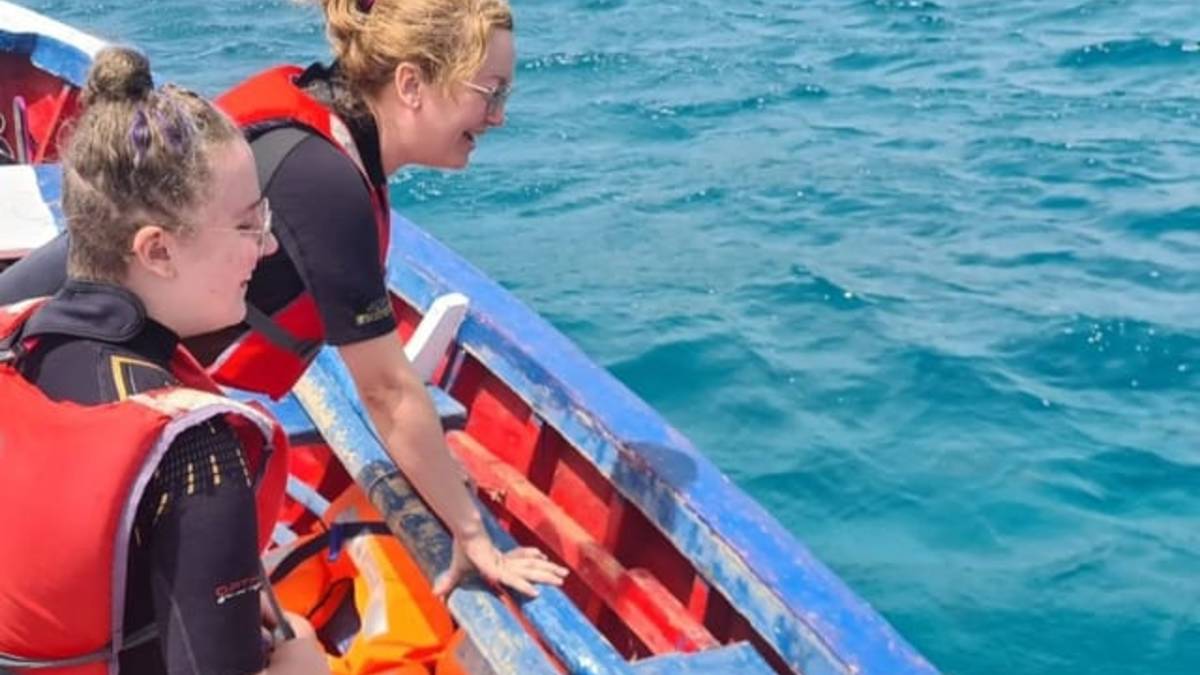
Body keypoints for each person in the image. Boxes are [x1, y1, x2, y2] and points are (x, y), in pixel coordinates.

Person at [0, 0, 568, 598]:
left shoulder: (317, 125)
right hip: (37, 369)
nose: (499, 116)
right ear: (411, 84)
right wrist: (473, 535)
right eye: (490, 92)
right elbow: (386, 390)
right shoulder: (326, 183)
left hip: (69, 361)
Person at [0, 47, 329, 675]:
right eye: (248, 224)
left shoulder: (18, 348)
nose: (265, 247)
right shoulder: (195, 456)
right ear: (157, 251)